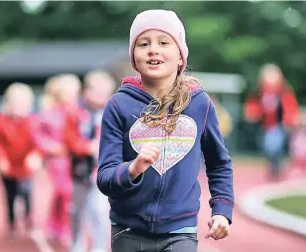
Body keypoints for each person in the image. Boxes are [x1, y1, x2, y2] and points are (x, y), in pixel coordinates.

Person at [97, 9, 234, 252]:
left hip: (180, 231)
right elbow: (105, 177)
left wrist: (222, 210)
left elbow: (219, 163)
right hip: (128, 229)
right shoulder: (118, 106)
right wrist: (132, 169)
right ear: (133, 57)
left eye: (163, 42)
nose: (153, 49)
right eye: (143, 43)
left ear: (180, 56)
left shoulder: (199, 104)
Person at [33, 74, 98, 247]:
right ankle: (65, 229)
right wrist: (50, 147)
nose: (72, 96)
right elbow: (38, 136)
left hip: (74, 158)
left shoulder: (78, 111)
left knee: (62, 194)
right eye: (69, 92)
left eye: (74, 92)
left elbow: (83, 132)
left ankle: (54, 224)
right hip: (57, 160)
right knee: (66, 191)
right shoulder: (48, 112)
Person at [0, 82, 42, 238]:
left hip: (25, 167)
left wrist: (36, 155)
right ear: (8, 104)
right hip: (7, 167)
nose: (19, 108)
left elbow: (38, 142)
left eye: (23, 104)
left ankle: (28, 219)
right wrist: (0, 159)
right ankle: (11, 223)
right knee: (10, 194)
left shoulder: (33, 121)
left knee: (26, 192)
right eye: (15, 104)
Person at [72, 70, 116, 252]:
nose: (101, 98)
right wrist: (86, 147)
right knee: (77, 211)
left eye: (105, 94)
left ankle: (99, 247)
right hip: (78, 171)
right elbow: (70, 140)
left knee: (99, 211)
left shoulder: (110, 113)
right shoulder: (76, 112)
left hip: (101, 171)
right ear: (86, 91)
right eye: (97, 93)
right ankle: (77, 244)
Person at [244, 63, 299, 181]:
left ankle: (275, 170)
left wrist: (289, 119)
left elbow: (289, 106)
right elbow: (252, 105)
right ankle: (275, 168)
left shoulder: (283, 91)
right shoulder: (259, 90)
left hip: (278, 125)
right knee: (267, 148)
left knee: (273, 147)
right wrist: (253, 114)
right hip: (264, 125)